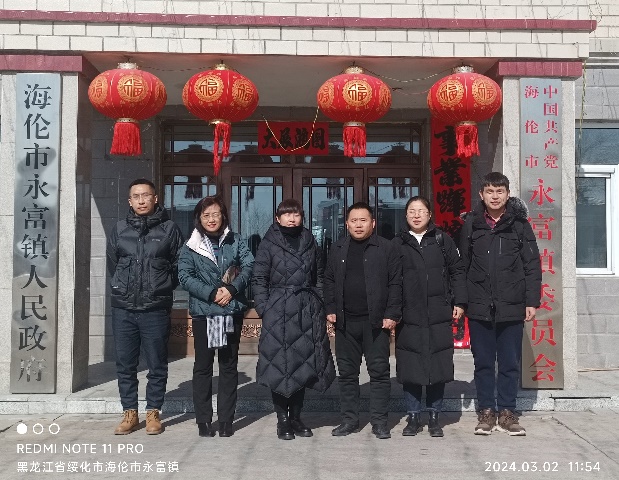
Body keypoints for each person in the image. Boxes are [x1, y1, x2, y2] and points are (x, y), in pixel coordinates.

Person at [460, 172, 542, 436]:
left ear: (507, 194)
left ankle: (507, 412)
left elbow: (532, 265)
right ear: (481, 194)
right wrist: (461, 301)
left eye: (499, 191)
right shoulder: (471, 224)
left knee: (509, 363)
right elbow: (461, 267)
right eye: (489, 191)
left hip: (512, 304)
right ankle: (486, 411)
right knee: (483, 363)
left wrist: (531, 300)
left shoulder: (520, 226)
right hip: (479, 305)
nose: (494, 196)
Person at [253, 199, 336, 441]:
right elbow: (259, 278)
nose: (291, 218)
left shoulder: (310, 241)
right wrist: (264, 309)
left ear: (302, 217)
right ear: (277, 218)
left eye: (296, 214)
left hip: (306, 310)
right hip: (278, 311)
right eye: (286, 214)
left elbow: (318, 276)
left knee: (302, 365)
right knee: (280, 366)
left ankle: (297, 417)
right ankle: (282, 420)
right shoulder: (268, 243)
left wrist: (319, 304)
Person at [106, 178, 184, 435]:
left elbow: (178, 266)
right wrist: (124, 287)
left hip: (155, 309)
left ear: (155, 198)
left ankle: (153, 412)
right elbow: (113, 264)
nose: (141, 200)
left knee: (157, 364)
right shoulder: (119, 229)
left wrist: (160, 287)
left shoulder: (170, 229)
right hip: (124, 308)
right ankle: (130, 412)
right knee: (125, 364)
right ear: (130, 201)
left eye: (146, 195)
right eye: (136, 196)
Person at [324, 202, 402, 440]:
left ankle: (379, 422)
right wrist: (330, 308)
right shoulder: (338, 248)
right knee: (347, 374)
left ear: (373, 223)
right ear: (347, 224)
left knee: (379, 373)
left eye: (363, 220)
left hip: (376, 323)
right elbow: (328, 280)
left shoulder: (386, 248)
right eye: (354, 221)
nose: (358, 225)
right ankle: (349, 420)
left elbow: (395, 283)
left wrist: (392, 314)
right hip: (346, 322)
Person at [178, 196, 254, 438]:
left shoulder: (235, 240)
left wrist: (232, 289)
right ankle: (203, 420)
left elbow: (250, 266)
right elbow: (185, 277)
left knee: (228, 366)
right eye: (206, 215)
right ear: (199, 218)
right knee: (203, 367)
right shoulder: (191, 245)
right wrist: (211, 293)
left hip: (230, 312)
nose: (211, 219)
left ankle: (226, 420)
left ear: (223, 216)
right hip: (205, 313)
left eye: (216, 214)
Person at [392, 196, 467, 437]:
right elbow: (391, 281)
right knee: (411, 367)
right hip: (409, 314)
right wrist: (392, 312)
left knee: (438, 365)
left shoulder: (442, 240)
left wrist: (460, 302)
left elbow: (457, 271)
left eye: (421, 211)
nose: (416, 215)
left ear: (429, 214)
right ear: (406, 216)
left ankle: (435, 416)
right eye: (412, 211)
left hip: (438, 312)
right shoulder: (397, 243)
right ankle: (413, 417)